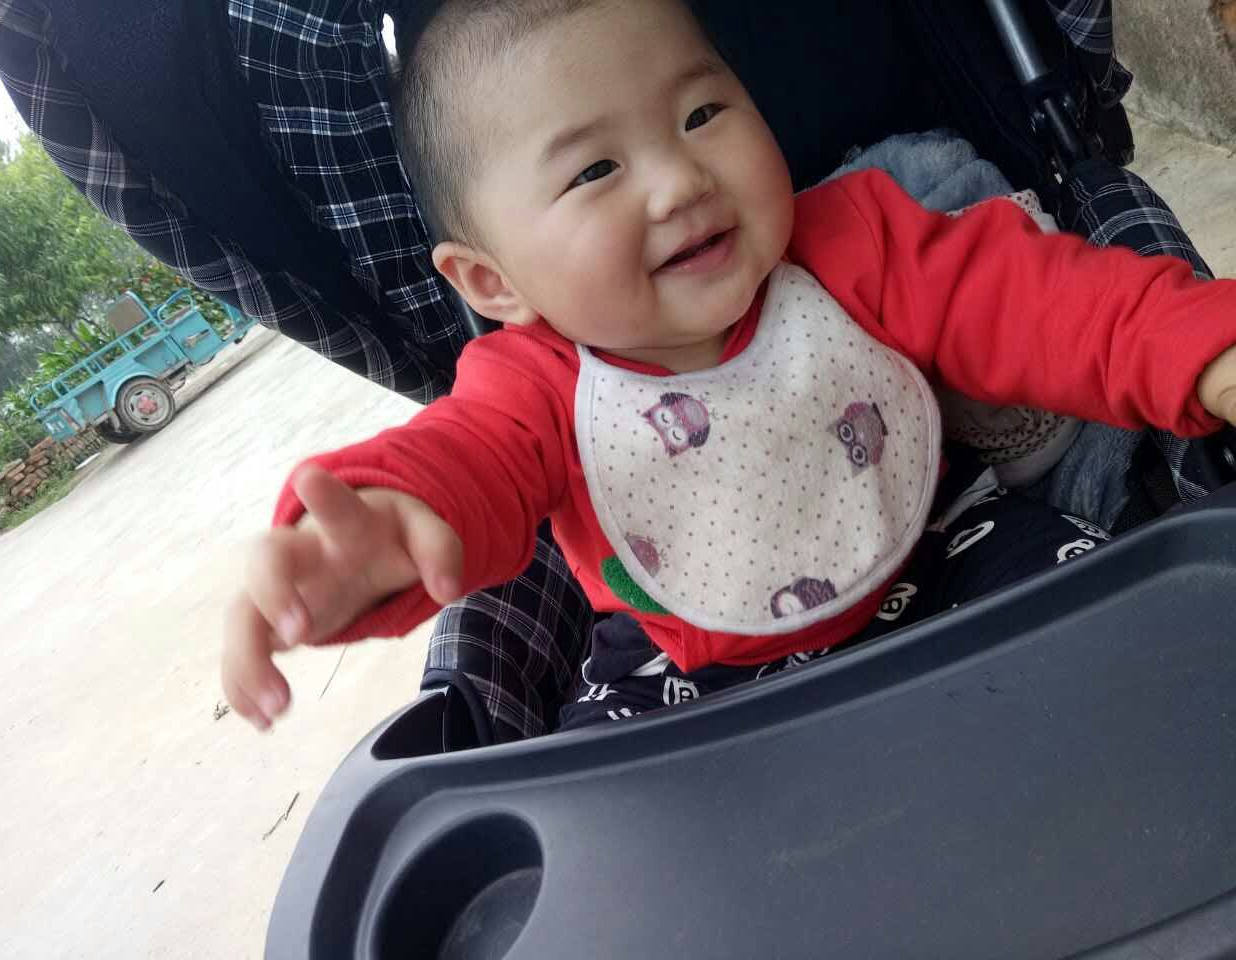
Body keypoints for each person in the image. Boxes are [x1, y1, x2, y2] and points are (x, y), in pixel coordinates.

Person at [219, 0, 1236, 733]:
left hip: (939, 552)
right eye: (595, 170)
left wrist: (1202, 351)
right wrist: (387, 521)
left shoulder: (858, 244)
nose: (679, 181)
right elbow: (464, 459)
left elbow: (1047, 305)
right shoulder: (532, 386)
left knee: (1142, 658)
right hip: (685, 671)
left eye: (702, 115)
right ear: (491, 281)